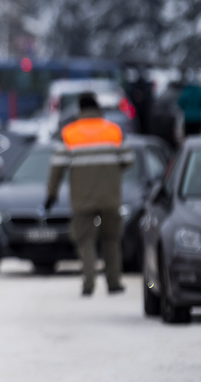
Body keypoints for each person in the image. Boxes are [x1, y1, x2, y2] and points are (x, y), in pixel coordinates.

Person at [45, 92, 134, 297]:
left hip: (82, 200)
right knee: (111, 239)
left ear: (80, 109)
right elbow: (129, 160)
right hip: (110, 198)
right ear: (98, 107)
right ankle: (114, 282)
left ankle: (88, 283)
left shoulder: (69, 133)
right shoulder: (113, 131)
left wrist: (51, 195)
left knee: (85, 240)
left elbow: (56, 168)